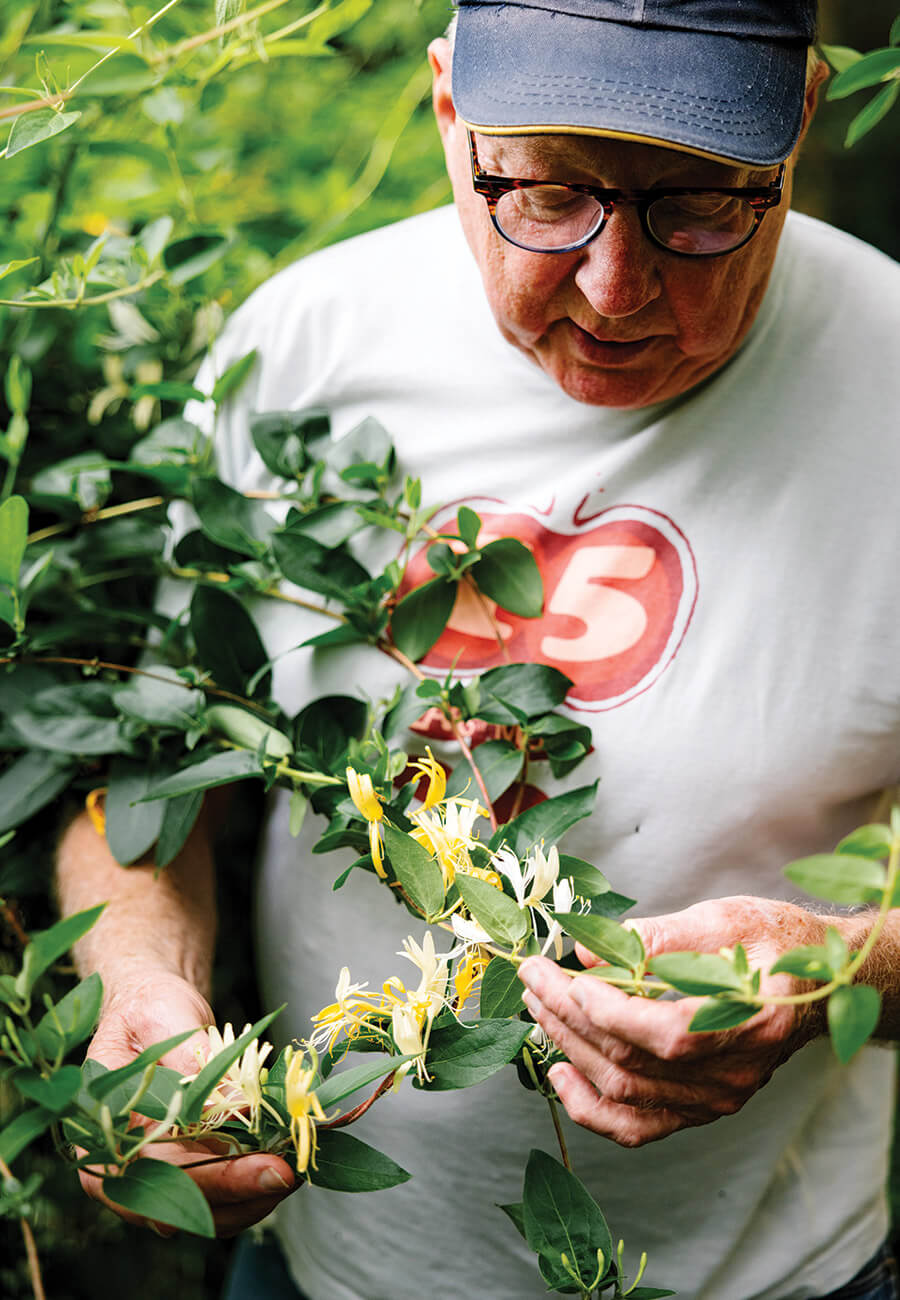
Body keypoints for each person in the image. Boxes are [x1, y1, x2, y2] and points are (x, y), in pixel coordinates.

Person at [56, 1, 900, 1296]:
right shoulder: (300, 353)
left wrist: (838, 961)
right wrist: (134, 987)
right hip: (329, 1268)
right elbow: (154, 760)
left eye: (698, 202)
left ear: (799, 118)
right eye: (549, 194)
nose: (616, 288)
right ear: (452, 114)